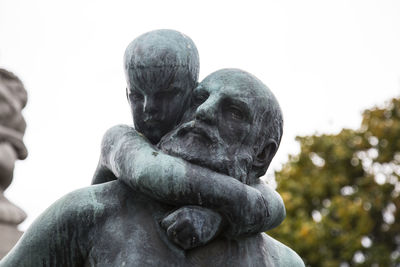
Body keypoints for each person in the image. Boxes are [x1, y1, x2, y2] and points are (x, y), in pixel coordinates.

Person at [0, 69, 304, 266]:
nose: (205, 111)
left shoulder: (284, 262)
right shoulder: (87, 212)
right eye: (199, 98)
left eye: (234, 112)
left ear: (263, 155)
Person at [92, 30, 286, 246]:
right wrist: (238, 204)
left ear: (187, 93)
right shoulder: (118, 138)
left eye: (165, 95)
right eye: (137, 96)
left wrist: (217, 219)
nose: (149, 108)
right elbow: (151, 172)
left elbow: (273, 205)